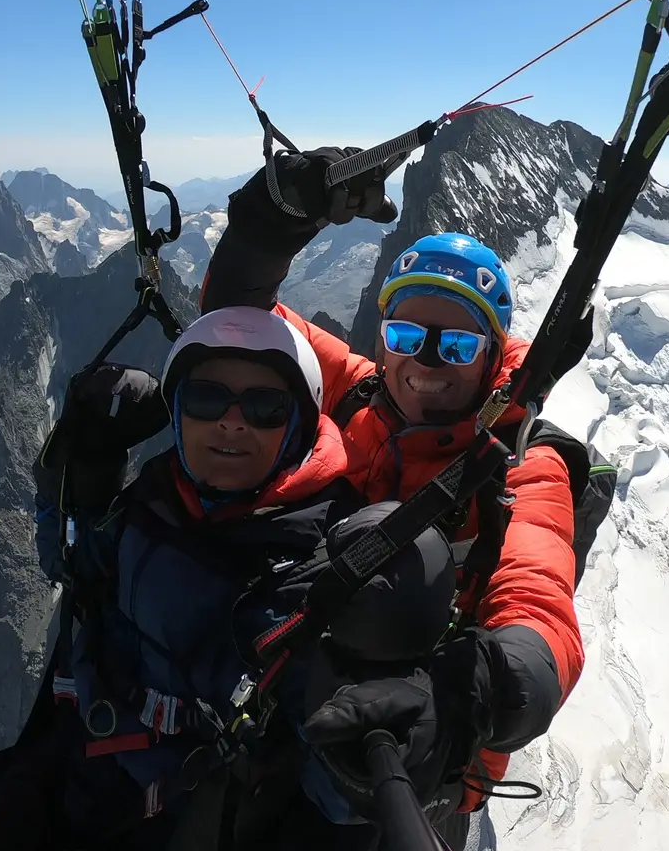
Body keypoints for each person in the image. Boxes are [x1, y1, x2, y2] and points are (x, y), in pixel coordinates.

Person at [0, 305, 459, 849]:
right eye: (206, 398)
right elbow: (76, 568)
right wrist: (77, 477)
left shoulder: (325, 566)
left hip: (187, 820)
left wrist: (389, 747)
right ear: (176, 415)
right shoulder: (153, 501)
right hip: (79, 779)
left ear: (301, 424)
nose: (231, 420)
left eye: (265, 406)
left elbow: (335, 785)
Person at [202, 149, 587, 835]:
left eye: (459, 345)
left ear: (497, 357)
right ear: (382, 345)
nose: (426, 362)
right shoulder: (359, 395)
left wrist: (468, 695)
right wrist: (274, 220)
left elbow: (540, 610)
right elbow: (241, 318)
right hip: (296, 708)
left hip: (411, 772)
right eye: (407, 336)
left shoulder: (524, 464)